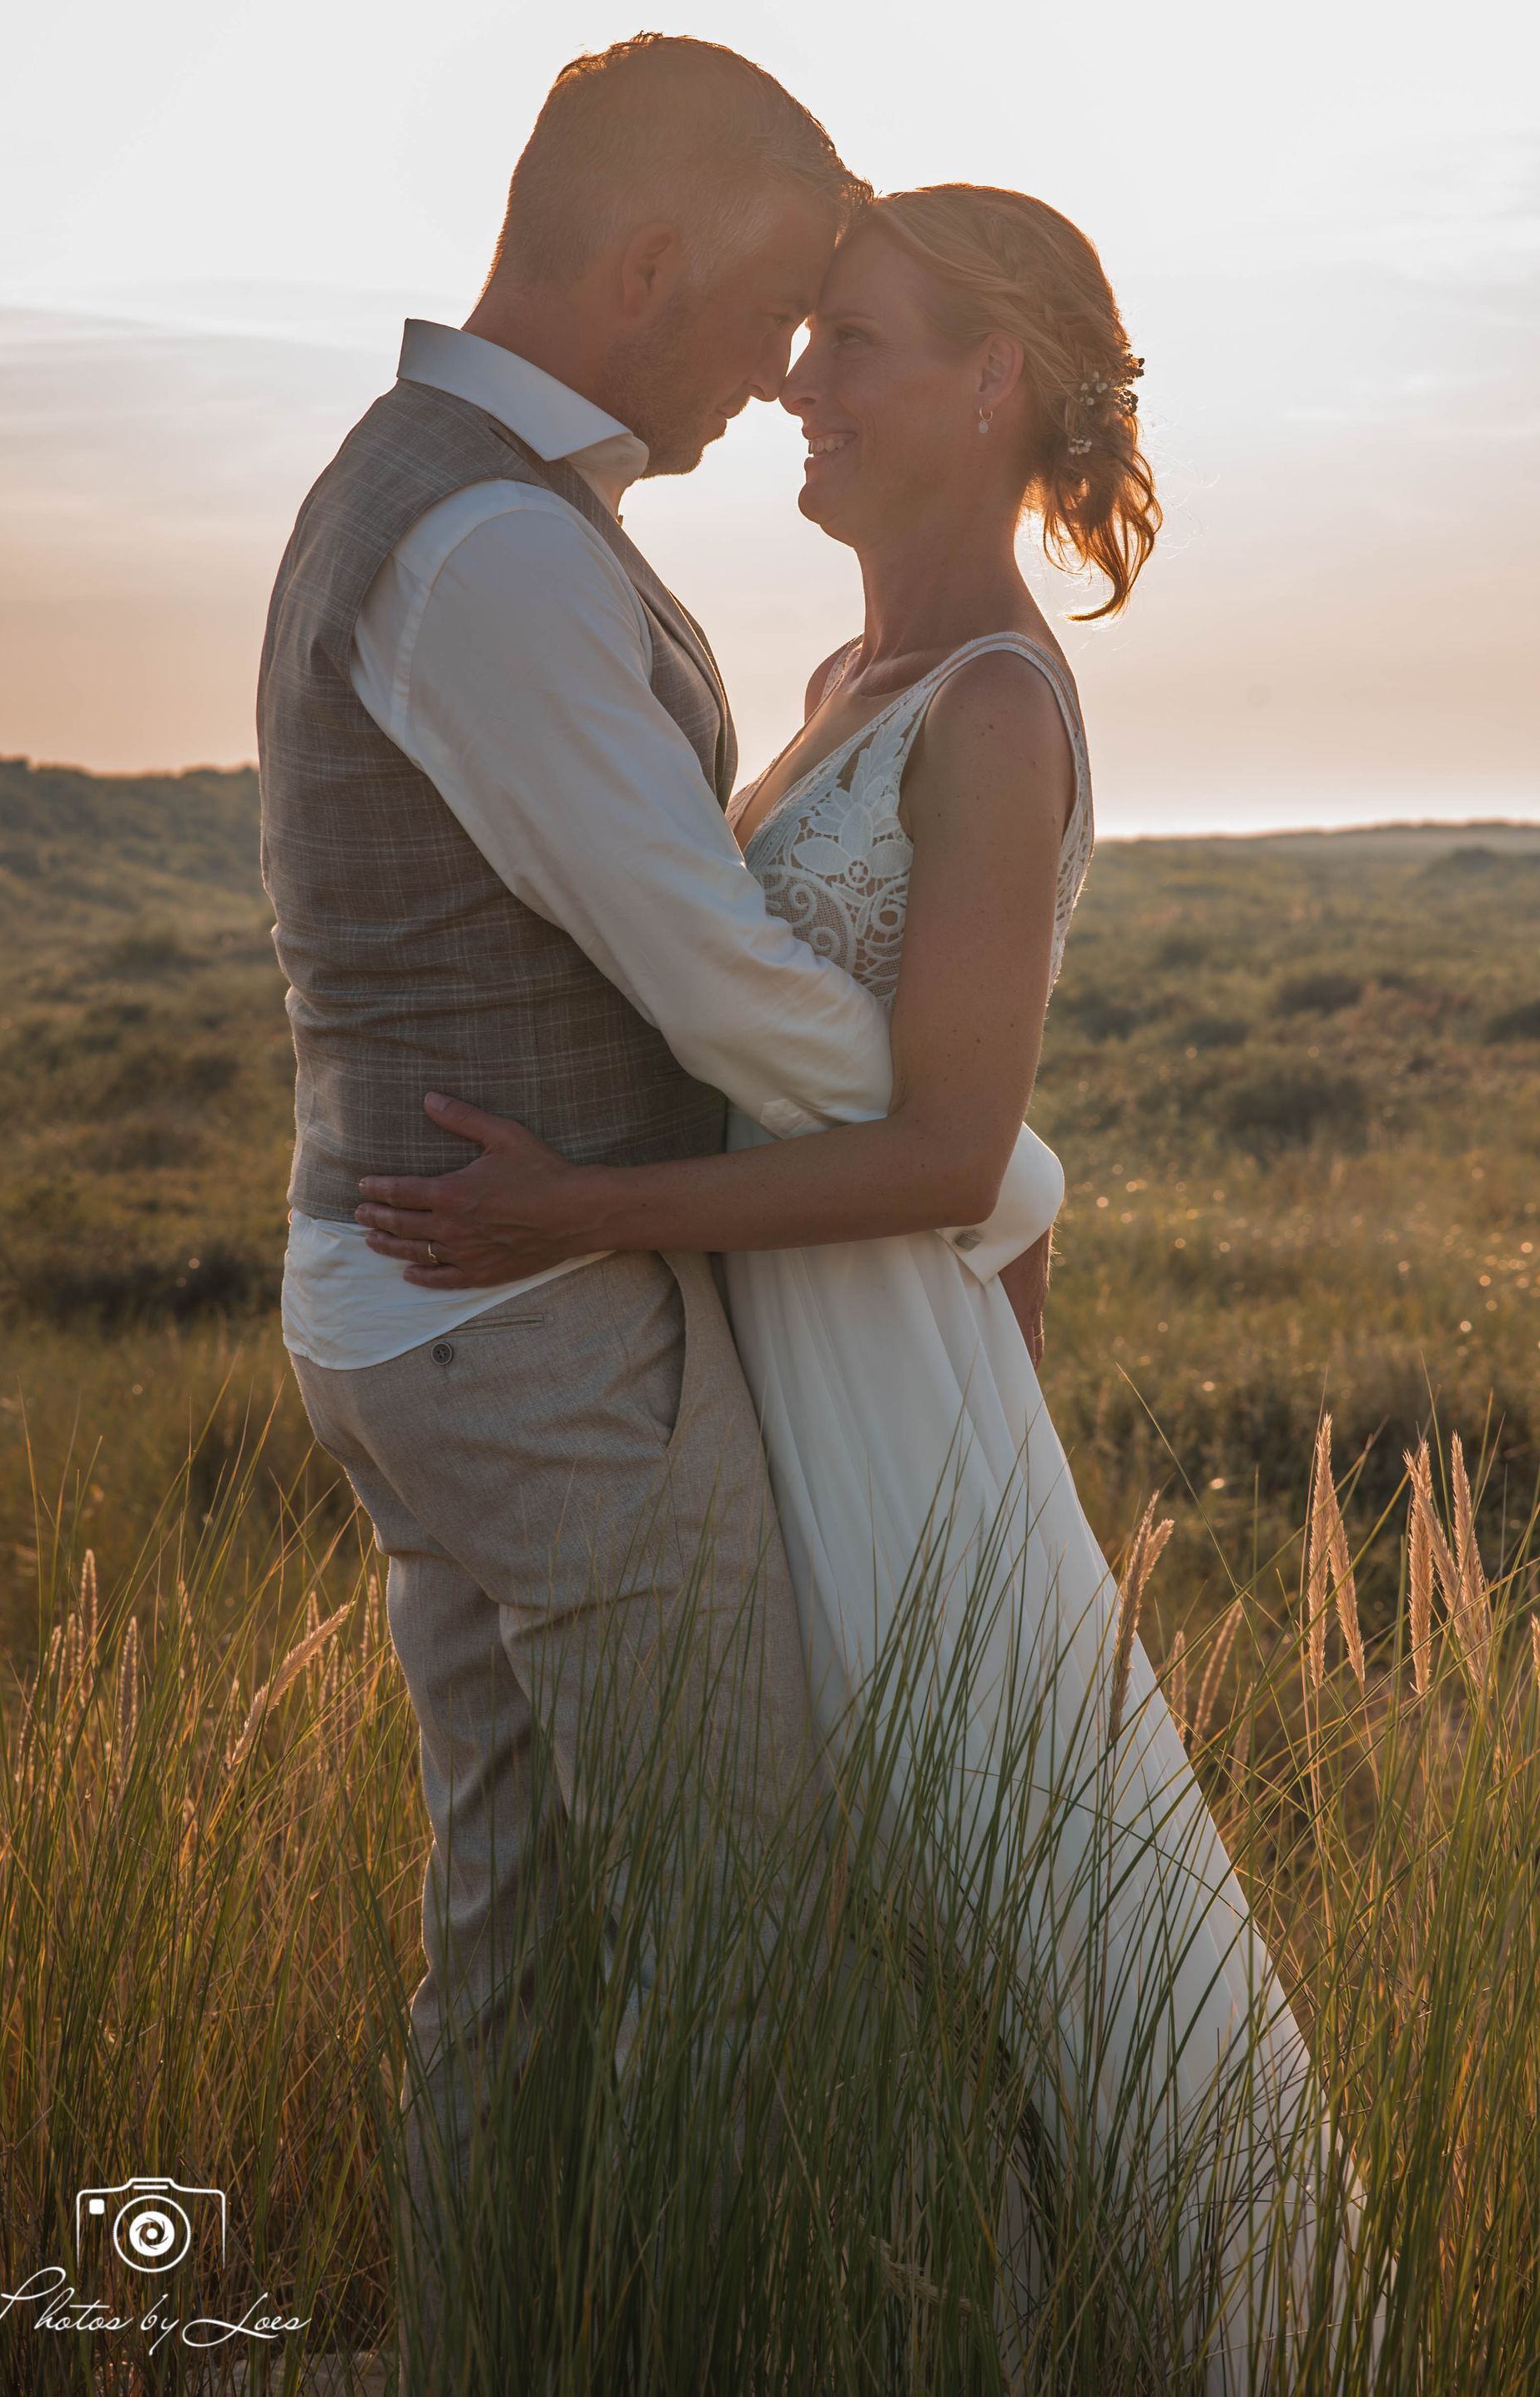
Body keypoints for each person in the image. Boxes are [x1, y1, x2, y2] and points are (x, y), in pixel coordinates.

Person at [358, 186, 1384, 2382]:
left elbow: (944, 1148)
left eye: (855, 342)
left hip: (874, 1373)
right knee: (820, 1889)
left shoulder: (997, 707)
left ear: (992, 380)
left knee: (961, 1894)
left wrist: (588, 1209)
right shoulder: (843, 683)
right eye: (807, 337)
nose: (798, 383)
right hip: (779, 1344)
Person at [258, 37, 1063, 2369]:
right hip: (524, 1331)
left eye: (838, 329)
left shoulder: (428, 498)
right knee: (745, 1928)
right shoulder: (495, 545)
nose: (778, 371)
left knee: (515, 1930)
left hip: (418, 1305)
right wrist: (982, 1159)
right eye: (772, 307)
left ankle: (490, 2340)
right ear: (643, 268)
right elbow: (708, 966)